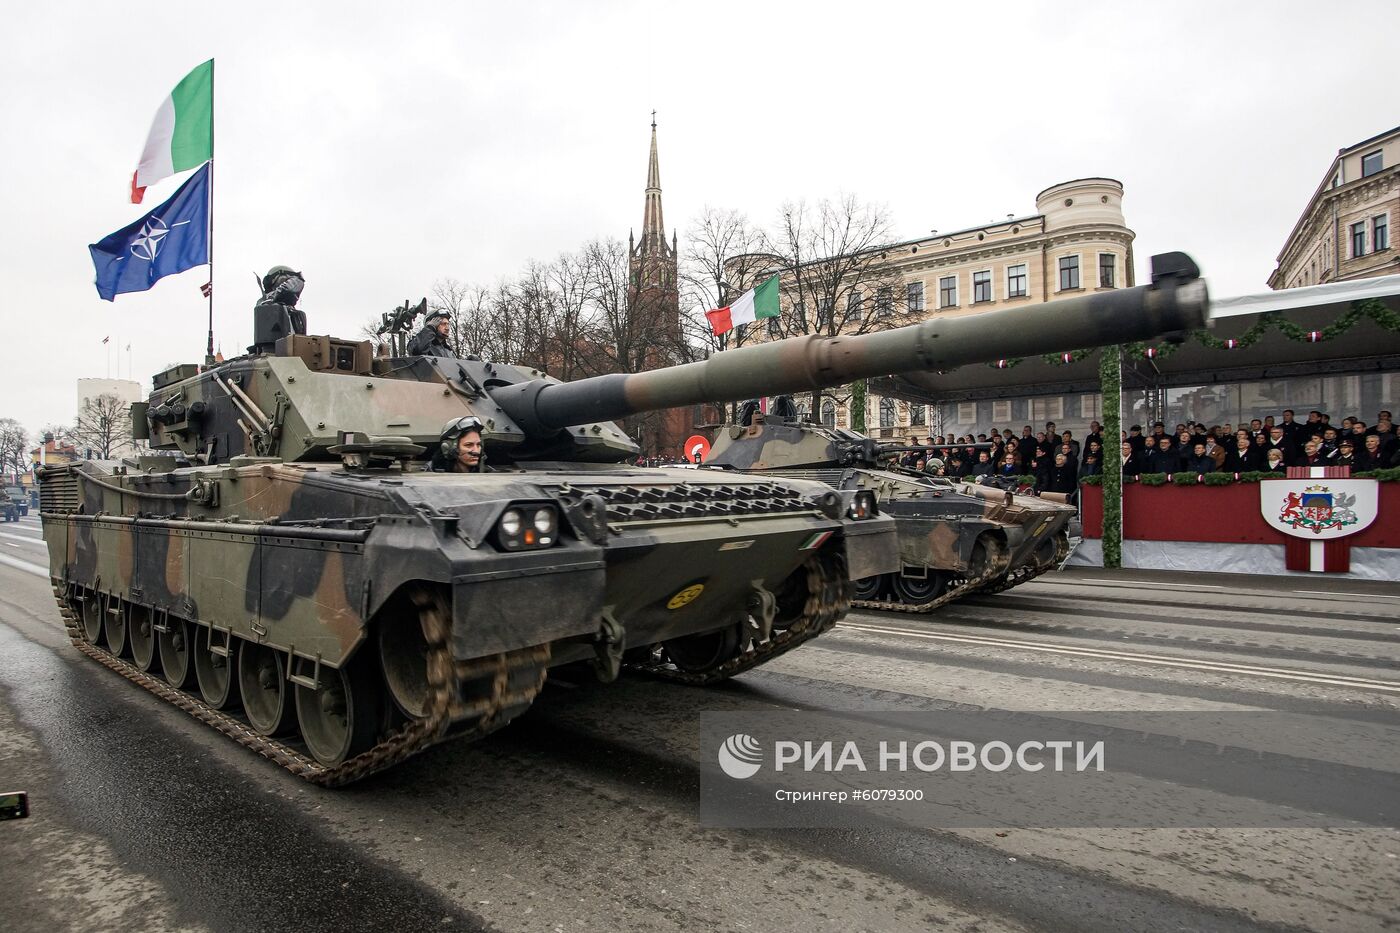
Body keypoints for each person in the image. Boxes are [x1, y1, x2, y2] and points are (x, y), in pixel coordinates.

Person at [250, 265, 308, 353]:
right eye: (286, 279)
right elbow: (290, 288)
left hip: (294, 350)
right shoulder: (267, 302)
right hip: (275, 351)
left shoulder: (294, 312)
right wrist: (297, 278)